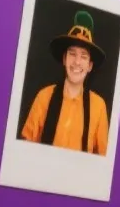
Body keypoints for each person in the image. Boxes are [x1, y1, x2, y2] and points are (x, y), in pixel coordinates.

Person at [20, 10, 111, 154]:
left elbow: (104, 160)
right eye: (72, 54)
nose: (77, 62)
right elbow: (25, 147)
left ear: (90, 66)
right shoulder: (44, 97)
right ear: (64, 59)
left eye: (84, 56)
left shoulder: (99, 107)